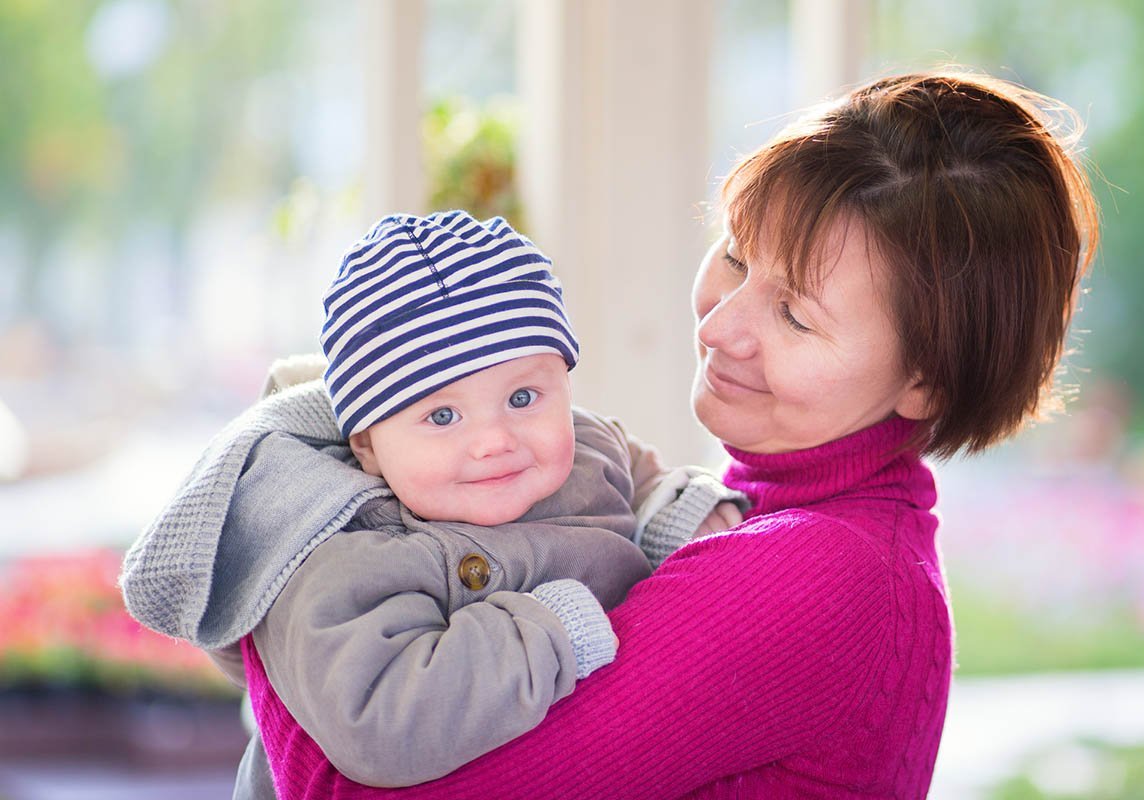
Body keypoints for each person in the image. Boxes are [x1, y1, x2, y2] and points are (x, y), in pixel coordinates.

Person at [156, 66, 1101, 799]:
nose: (722, 323)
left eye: (796, 316)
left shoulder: (821, 579)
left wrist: (285, 556)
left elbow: (347, 786)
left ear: (926, 378)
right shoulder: (752, 520)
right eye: (734, 253)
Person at [120, 212, 746, 792]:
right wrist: (548, 631)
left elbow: (634, 466)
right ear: (367, 446)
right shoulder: (343, 552)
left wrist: (676, 506)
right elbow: (377, 720)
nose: (494, 440)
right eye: (442, 415)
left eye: (524, 398)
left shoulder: (585, 443)